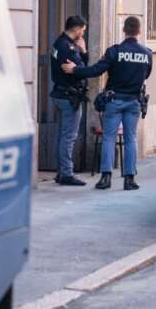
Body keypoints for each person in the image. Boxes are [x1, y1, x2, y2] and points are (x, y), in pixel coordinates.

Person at [62, 16, 152, 190]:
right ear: (139, 31)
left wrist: (75, 70)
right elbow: (146, 75)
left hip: (114, 100)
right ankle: (129, 179)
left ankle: (106, 178)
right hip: (134, 101)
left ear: (124, 30)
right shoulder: (147, 54)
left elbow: (96, 70)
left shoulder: (114, 51)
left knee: (109, 138)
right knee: (131, 139)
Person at [50, 16, 89, 186]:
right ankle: (66, 173)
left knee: (62, 136)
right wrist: (84, 51)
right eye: (83, 30)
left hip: (60, 94)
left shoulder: (58, 43)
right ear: (77, 28)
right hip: (69, 96)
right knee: (69, 137)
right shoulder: (68, 48)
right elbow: (81, 71)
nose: (83, 34)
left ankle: (61, 172)